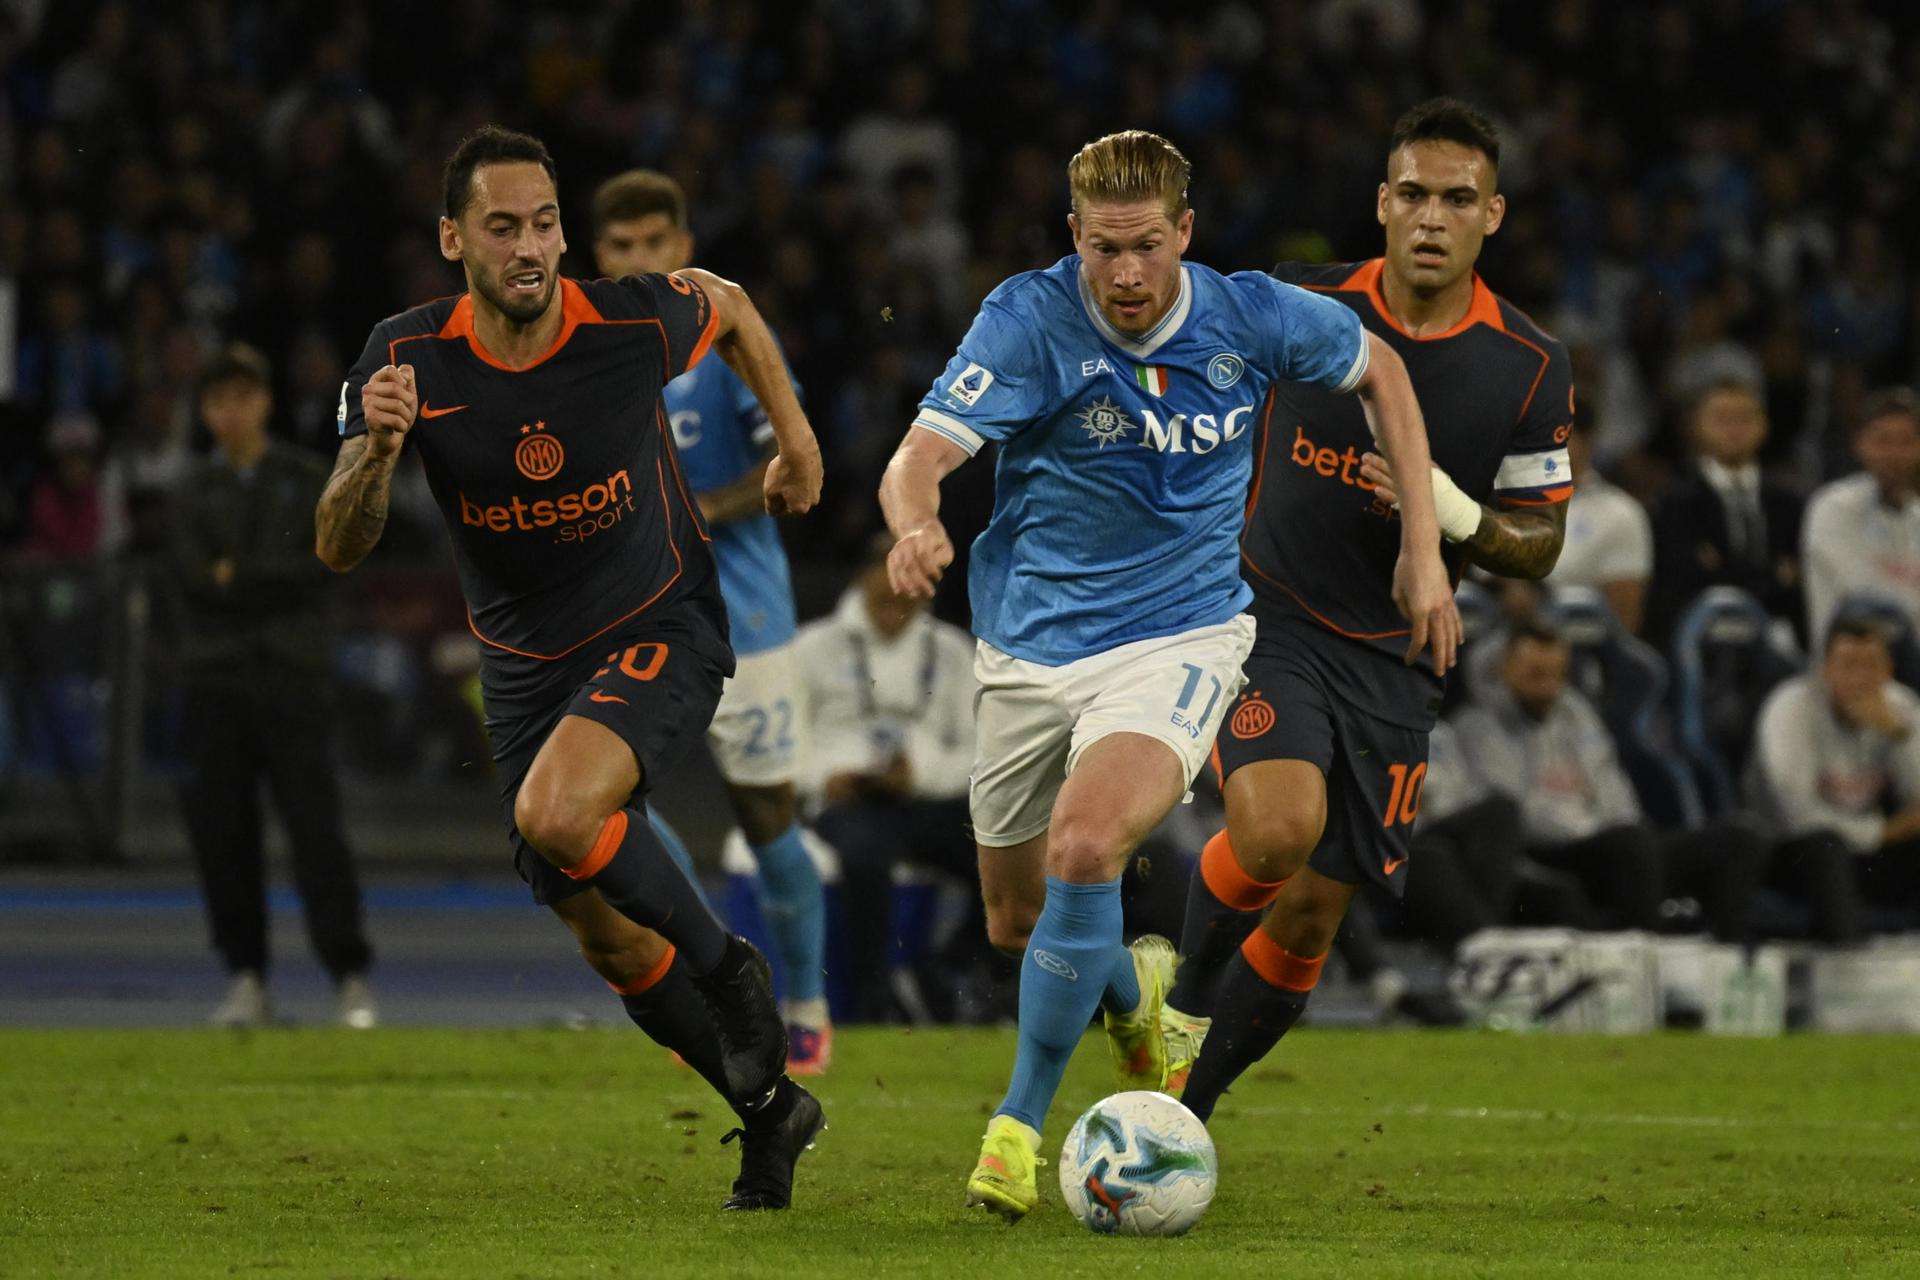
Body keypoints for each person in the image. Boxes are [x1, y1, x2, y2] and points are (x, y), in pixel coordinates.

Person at [879, 128, 1456, 1221]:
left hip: (1180, 639)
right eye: (1105, 249)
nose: (1128, 273)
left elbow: (1380, 365)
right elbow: (921, 456)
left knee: (1088, 845)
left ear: (1186, 233)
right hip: (1025, 646)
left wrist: (1422, 545)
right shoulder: (1029, 317)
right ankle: (1132, 991)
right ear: (1074, 238)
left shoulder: (1251, 315)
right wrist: (914, 525)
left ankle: (1016, 1124)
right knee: (1017, 919)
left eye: (1148, 246)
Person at [314, 127, 826, 1211]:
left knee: (558, 813)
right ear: (455, 239)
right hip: (526, 673)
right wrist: (373, 452)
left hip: (662, 621)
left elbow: (728, 301)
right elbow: (337, 543)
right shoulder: (402, 360)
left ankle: (733, 968)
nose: (531, 246)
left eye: (545, 222)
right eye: (503, 227)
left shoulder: (626, 319)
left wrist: (798, 442)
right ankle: (772, 1112)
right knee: (603, 931)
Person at [1166, 99, 1571, 1124]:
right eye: (1416, 194)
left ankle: (1181, 1108)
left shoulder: (1528, 365)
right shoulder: (1300, 309)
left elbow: (1540, 541)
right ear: (1382, 203)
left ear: (1495, 217)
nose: (1433, 216)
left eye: (1459, 199)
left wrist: (1445, 507)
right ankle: (1165, 1003)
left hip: (1398, 653)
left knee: (1308, 916)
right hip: (1269, 615)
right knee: (1274, 832)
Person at [592, 169, 832, 1074]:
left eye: (658, 243)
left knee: (766, 813)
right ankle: (715, 985)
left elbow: (784, 462)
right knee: (611, 807)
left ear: (685, 249)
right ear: (597, 256)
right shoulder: (582, 350)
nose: (643, 261)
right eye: (623, 247)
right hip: (624, 615)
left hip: (746, 612)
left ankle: (807, 1004)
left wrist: (677, 511)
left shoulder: (723, 345)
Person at [170, 343, 375, 1029]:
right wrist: (265, 576)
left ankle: (348, 976)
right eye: (219, 399)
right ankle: (246, 976)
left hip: (290, 677)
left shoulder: (304, 475)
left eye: (244, 395)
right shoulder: (192, 489)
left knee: (317, 832)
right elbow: (195, 580)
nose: (233, 410)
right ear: (206, 410)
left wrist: (239, 576)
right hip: (220, 679)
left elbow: (318, 565)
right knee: (224, 836)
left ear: (264, 401)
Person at [1449, 621, 1767, 938]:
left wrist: (1619, 827)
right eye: (1536, 675)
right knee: (1628, 844)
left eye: (1557, 675)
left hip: (1611, 846)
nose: (1550, 688)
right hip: (1548, 853)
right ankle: (1645, 956)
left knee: (1738, 838)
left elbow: (1611, 784)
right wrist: (1598, 831)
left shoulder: (1574, 713)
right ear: (1504, 670)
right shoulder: (1477, 727)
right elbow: (1514, 815)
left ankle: (1732, 962)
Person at [794, 536, 978, 1021]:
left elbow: (982, 750)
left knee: (1008, 845)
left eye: (909, 592)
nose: (896, 603)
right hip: (848, 802)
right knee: (864, 854)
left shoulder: (954, 651)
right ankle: (872, 997)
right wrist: (824, 777)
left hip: (929, 800)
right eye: (885, 592)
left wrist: (921, 774)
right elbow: (786, 741)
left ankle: (947, 969)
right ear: (862, 579)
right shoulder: (813, 648)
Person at [1750, 614, 1920, 938]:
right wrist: (1883, 832)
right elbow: (1799, 818)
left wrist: (1900, 737)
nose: (1860, 677)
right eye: (1848, 665)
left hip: (1864, 856)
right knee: (1825, 848)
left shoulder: (1901, 708)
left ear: (1889, 671)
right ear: (1824, 670)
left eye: (1871, 665)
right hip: (1791, 856)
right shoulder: (1790, 708)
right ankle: (1849, 972)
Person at [1646, 379, 1804, 645]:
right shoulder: (1674, 504)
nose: (1734, 429)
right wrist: (1774, 577)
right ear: (1696, 426)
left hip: (1778, 637)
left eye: (1744, 418)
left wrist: (1721, 569)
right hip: (1699, 638)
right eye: (1721, 419)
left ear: (1764, 425)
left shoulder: (1790, 504)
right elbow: (1686, 581)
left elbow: (1796, 584)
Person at [1802, 388, 1920, 643]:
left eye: (1906, 441)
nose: (1894, 454)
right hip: (1848, 663)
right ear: (1860, 444)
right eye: (1883, 441)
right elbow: (1864, 598)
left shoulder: (1917, 514)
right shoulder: (1833, 506)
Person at [1546, 416, 1654, 633]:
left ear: (1586, 442)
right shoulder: (1502, 505)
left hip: (1585, 643)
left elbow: (1625, 617)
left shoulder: (1621, 513)